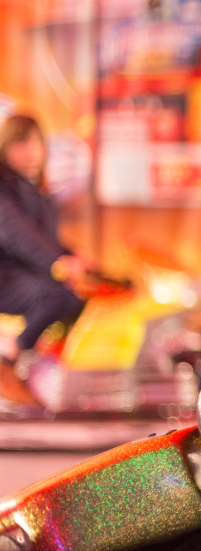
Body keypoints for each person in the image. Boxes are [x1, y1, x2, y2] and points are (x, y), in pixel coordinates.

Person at [0, 115, 89, 408]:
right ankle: (7, 360)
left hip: (25, 273)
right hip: (7, 278)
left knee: (84, 293)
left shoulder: (35, 189)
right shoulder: (4, 185)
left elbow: (44, 238)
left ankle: (39, 369)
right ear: (6, 146)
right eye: (22, 141)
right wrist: (57, 262)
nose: (32, 149)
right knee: (60, 294)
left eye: (38, 141)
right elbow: (17, 234)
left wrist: (76, 258)